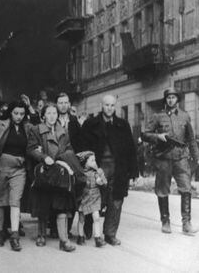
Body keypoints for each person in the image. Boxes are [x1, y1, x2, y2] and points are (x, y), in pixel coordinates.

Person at [0, 98, 38, 251]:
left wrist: (30, 107)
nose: (19, 116)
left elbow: (38, 125)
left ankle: (15, 236)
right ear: (10, 112)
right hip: (2, 168)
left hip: (20, 169)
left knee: (15, 201)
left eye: (22, 113)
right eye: (16, 113)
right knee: (1, 202)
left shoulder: (28, 127)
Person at [81, 95, 138, 246]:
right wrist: (86, 168)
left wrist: (133, 172)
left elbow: (131, 149)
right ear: (102, 105)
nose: (109, 108)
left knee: (116, 202)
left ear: (115, 106)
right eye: (107, 105)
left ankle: (110, 234)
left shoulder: (122, 125)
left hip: (118, 169)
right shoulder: (90, 124)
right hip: (97, 169)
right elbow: (83, 148)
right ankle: (88, 226)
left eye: (112, 105)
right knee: (92, 199)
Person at [27, 103, 84, 252]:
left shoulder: (63, 131)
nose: (52, 116)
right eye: (49, 113)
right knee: (43, 205)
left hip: (61, 171)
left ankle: (63, 240)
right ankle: (41, 235)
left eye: (54, 113)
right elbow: (31, 149)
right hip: (45, 171)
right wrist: (43, 157)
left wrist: (66, 157)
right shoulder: (36, 130)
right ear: (43, 115)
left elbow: (69, 148)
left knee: (62, 206)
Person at [142, 88, 199, 235]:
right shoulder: (158, 116)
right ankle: (165, 221)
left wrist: (196, 157)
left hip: (181, 159)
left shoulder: (185, 116)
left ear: (177, 100)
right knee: (162, 191)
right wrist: (158, 136)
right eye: (168, 97)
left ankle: (186, 223)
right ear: (165, 100)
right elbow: (145, 134)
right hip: (164, 159)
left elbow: (191, 139)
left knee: (186, 189)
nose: (171, 100)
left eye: (173, 97)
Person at [55, 92, 84, 238]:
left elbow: (80, 140)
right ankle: (56, 227)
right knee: (58, 192)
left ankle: (68, 225)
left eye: (66, 102)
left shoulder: (74, 121)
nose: (63, 105)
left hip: (72, 160)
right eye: (60, 103)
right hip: (56, 159)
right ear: (56, 104)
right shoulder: (52, 119)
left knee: (73, 190)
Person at [75, 151, 107, 247]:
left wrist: (100, 176)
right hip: (84, 198)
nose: (94, 162)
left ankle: (97, 237)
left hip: (95, 197)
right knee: (81, 218)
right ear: (85, 162)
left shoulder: (96, 173)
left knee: (96, 217)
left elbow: (103, 182)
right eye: (92, 160)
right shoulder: (81, 173)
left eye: (95, 160)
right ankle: (80, 236)